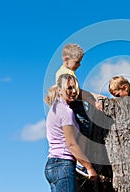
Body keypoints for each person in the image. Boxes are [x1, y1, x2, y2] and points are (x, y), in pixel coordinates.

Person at [55, 43, 104, 175]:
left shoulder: (65, 72)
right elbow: (77, 92)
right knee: (84, 129)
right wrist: (93, 102)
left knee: (82, 129)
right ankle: (80, 161)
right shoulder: (65, 74)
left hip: (75, 104)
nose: (79, 65)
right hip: (75, 104)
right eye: (77, 62)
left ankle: (80, 160)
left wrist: (93, 94)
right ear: (66, 59)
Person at [44, 74, 97, 192]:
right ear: (59, 90)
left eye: (75, 89)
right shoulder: (66, 112)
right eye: (69, 88)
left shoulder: (56, 107)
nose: (74, 92)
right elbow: (71, 144)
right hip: (63, 165)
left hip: (52, 165)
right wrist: (89, 167)